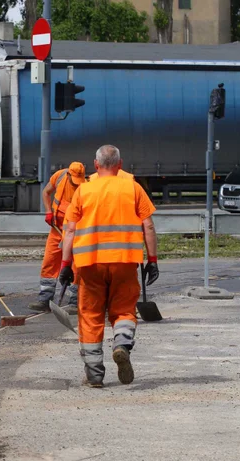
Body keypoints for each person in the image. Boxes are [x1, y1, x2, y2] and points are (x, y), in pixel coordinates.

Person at [59, 145, 159, 387]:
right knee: (124, 310)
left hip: (90, 265)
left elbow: (70, 230)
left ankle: (94, 375)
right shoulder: (133, 188)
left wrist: (65, 264)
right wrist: (152, 261)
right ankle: (122, 344)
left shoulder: (83, 191)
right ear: (120, 164)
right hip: (125, 262)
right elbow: (148, 226)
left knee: (91, 316)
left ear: (95, 165)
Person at [28, 161, 86, 314]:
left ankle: (75, 301)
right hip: (57, 229)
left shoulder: (86, 186)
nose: (76, 184)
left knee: (76, 266)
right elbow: (46, 192)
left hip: (76, 232)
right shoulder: (59, 177)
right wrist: (48, 212)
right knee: (49, 261)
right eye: (74, 181)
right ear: (68, 174)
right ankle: (45, 299)